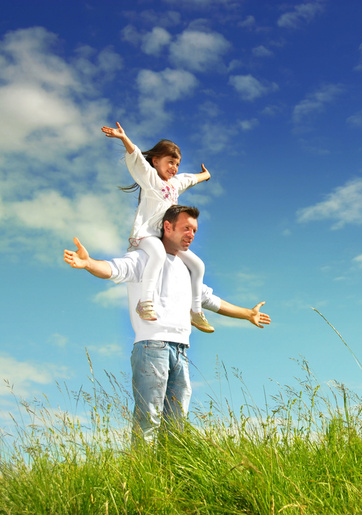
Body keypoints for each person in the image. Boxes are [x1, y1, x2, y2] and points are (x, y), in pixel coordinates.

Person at [63, 205, 271, 444]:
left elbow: (210, 300)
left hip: (181, 350)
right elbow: (115, 269)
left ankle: (168, 475)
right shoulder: (145, 257)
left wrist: (247, 313)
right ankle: (140, 476)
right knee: (149, 418)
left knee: (176, 424)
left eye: (194, 230)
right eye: (186, 228)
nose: (191, 234)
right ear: (168, 226)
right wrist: (89, 263)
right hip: (152, 347)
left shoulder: (188, 268)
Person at [102, 122, 215, 333]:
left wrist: (205, 176)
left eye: (177, 164)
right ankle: (145, 303)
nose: (174, 168)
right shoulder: (151, 179)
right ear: (156, 160)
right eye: (170, 162)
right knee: (158, 256)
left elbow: (190, 179)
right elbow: (137, 160)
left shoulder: (175, 184)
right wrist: (124, 139)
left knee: (198, 265)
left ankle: (196, 311)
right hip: (146, 236)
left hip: (166, 239)